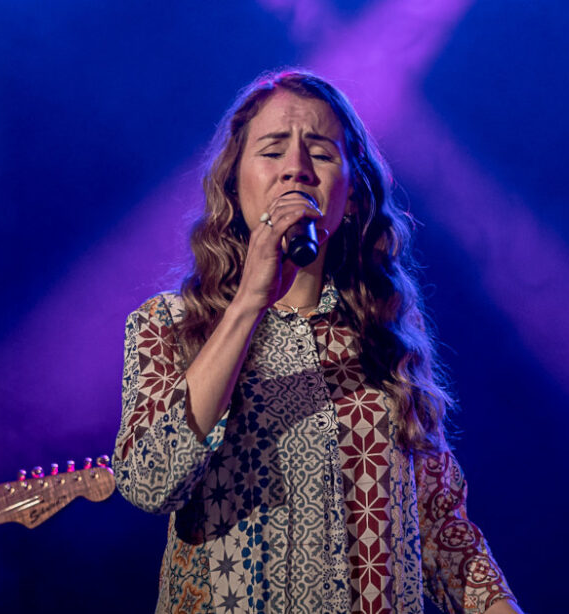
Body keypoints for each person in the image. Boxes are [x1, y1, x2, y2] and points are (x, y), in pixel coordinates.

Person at [113, 68, 522, 614]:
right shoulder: (170, 326)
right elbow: (147, 481)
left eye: (322, 154)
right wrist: (249, 304)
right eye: (273, 151)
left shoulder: (385, 337)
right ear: (234, 183)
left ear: (351, 197)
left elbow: (444, 531)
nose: (297, 171)